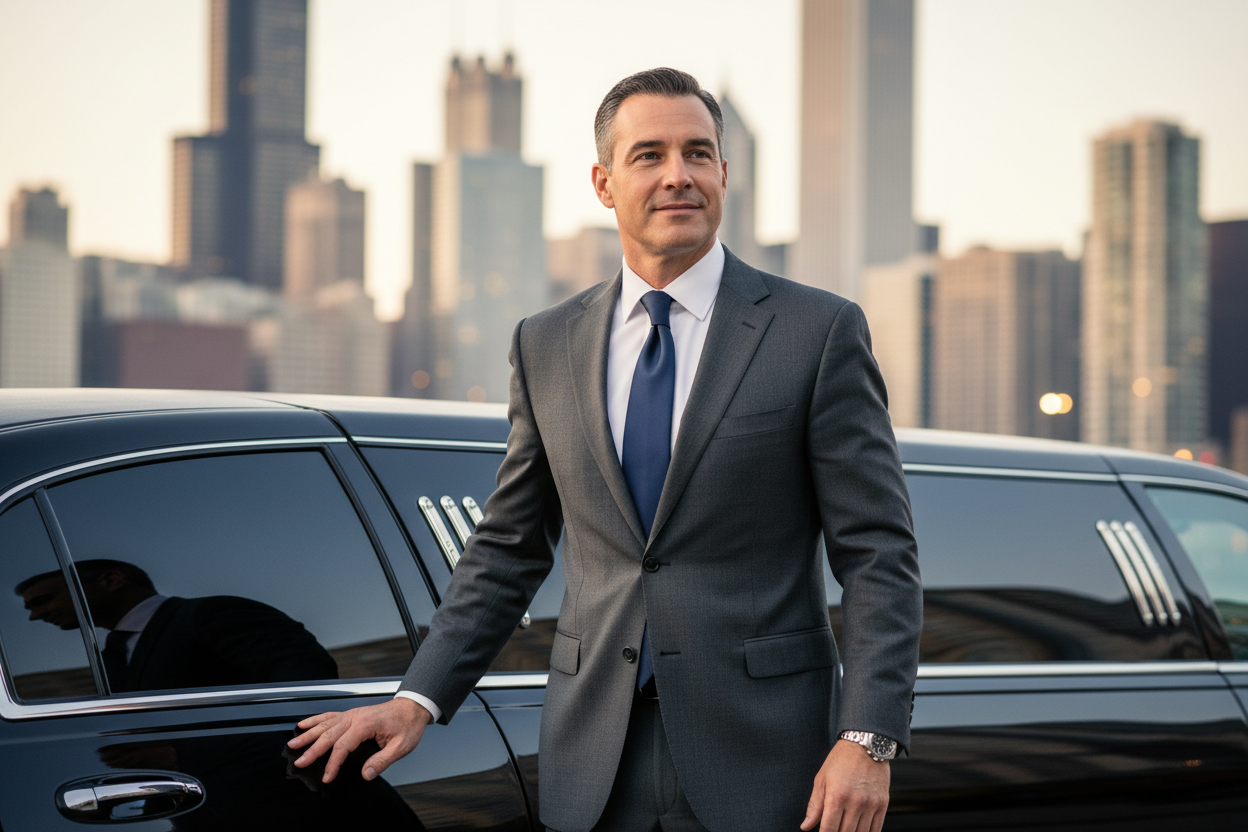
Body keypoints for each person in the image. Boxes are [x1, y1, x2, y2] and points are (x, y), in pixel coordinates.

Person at [290, 67, 922, 832]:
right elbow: (508, 547)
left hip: (769, 760)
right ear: (604, 182)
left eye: (697, 153)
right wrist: (417, 698)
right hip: (593, 761)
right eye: (649, 155)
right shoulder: (547, 341)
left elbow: (879, 554)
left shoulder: (815, 332)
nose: (678, 176)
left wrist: (869, 738)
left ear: (725, 173)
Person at [17, 559, 338, 692]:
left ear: (111, 580)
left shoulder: (210, 614)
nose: (34, 615)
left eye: (43, 600)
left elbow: (308, 684)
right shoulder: (111, 657)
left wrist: (183, 754)